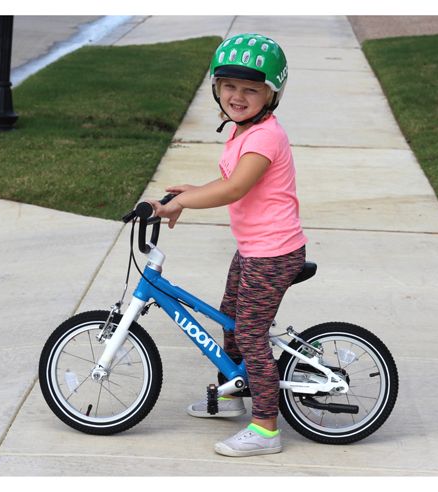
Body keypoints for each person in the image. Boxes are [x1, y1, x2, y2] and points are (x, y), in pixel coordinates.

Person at [149, 33, 306, 457]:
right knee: (232, 321)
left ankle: (266, 428)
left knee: (251, 334)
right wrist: (192, 191)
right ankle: (233, 394)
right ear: (216, 88)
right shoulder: (243, 130)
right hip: (255, 248)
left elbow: (235, 188)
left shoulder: (265, 137)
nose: (237, 96)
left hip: (274, 253)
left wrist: (185, 202)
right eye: (229, 86)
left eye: (250, 89)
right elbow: (229, 180)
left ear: (271, 94)